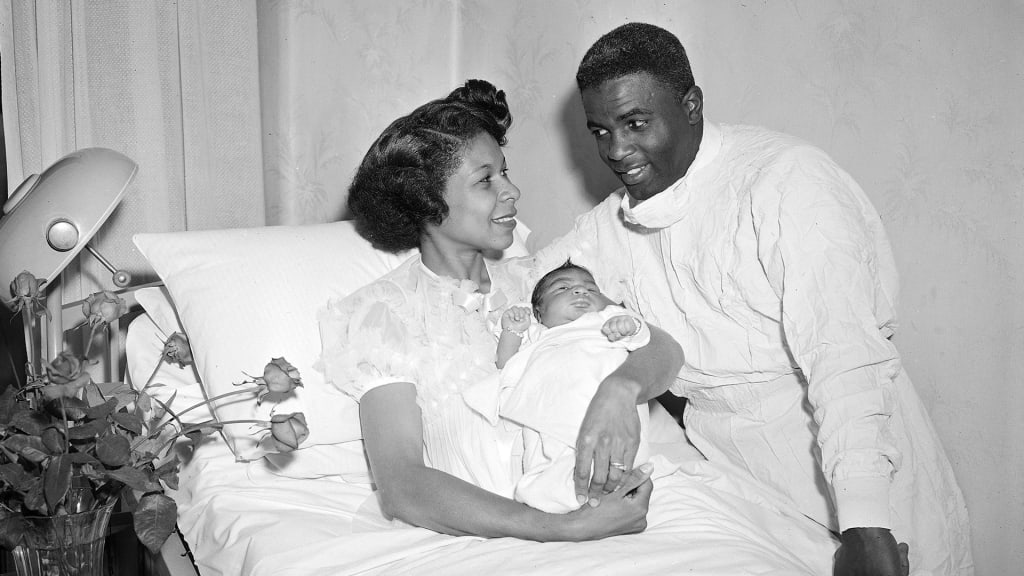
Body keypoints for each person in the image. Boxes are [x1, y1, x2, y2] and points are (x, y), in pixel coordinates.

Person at [534, 22, 972, 576]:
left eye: (636, 123)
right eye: (601, 131)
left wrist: (866, 524)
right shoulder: (611, 226)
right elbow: (523, 280)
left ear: (691, 105)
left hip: (867, 484)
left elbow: (845, 360)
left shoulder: (786, 181)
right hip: (742, 490)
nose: (617, 151)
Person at [319, 79, 679, 542]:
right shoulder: (388, 312)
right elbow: (402, 484)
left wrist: (620, 389)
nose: (512, 191)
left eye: (505, 173)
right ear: (427, 201)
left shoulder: (538, 282)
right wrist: (562, 528)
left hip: (603, 509)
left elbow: (663, 348)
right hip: (485, 542)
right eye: (486, 180)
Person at [496, 261, 653, 513]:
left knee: (617, 455)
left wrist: (629, 326)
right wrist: (512, 331)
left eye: (590, 289)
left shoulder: (607, 320)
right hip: (553, 411)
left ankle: (609, 490)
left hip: (608, 408)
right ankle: (553, 499)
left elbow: (643, 338)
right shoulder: (539, 334)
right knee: (543, 458)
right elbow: (507, 365)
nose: (580, 291)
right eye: (563, 288)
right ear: (539, 312)